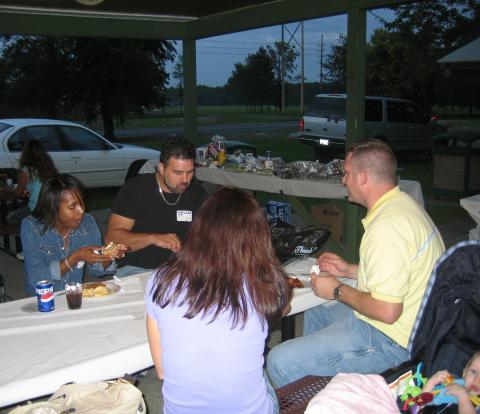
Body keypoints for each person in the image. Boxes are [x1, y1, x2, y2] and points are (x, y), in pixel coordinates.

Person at [267, 139, 445, 387]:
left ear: (363, 178)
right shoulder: (403, 206)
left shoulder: (387, 227)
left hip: (393, 341)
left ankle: (318, 381)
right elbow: (400, 271)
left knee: (278, 361)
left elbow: (387, 311)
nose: (343, 180)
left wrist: (338, 290)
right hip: (410, 324)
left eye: (347, 174)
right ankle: (321, 383)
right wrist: (349, 269)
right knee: (318, 308)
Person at [145, 187, 292, 414]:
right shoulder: (267, 285)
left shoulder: (159, 280)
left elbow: (162, 370)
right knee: (258, 372)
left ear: (199, 229)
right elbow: (280, 308)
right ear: (257, 235)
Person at [106, 137, 207, 277]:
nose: (185, 180)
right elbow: (111, 239)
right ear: (161, 168)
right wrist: (152, 238)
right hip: (137, 269)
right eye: (177, 173)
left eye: (190, 172)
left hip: (182, 271)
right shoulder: (136, 189)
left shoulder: (198, 194)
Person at [21, 174, 128, 296]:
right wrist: (75, 257)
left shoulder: (87, 223)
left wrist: (109, 255)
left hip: (74, 296)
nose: (81, 211)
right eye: (72, 207)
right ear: (53, 208)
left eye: (81, 204)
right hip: (43, 299)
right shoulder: (32, 227)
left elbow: (98, 271)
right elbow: (36, 279)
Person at [2, 139, 58, 223]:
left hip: (37, 209)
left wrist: (7, 189)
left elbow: (18, 192)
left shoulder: (26, 170)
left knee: (10, 217)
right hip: (52, 207)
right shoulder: (49, 168)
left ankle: (25, 232)